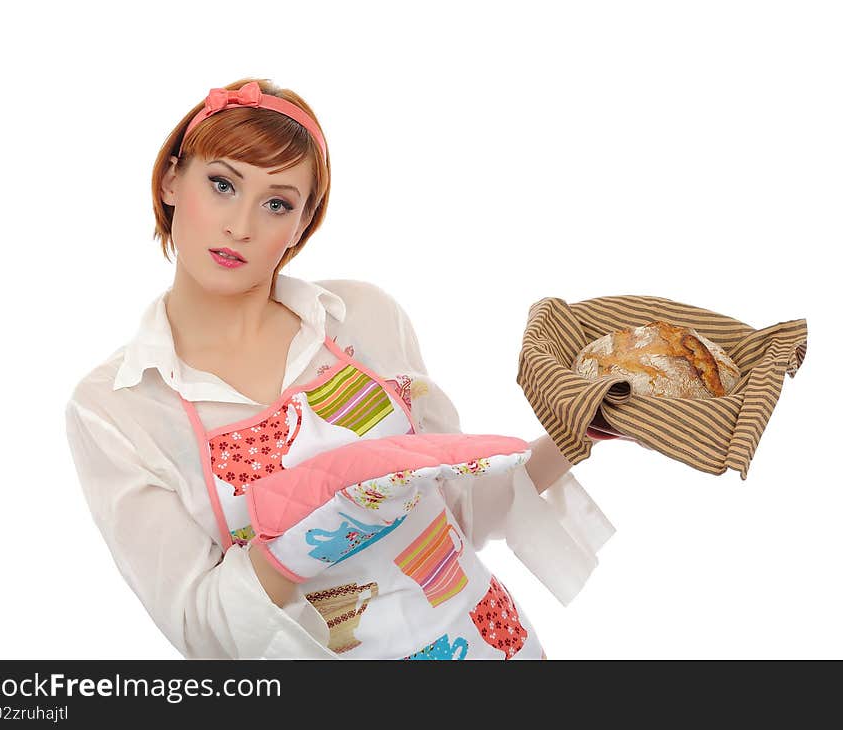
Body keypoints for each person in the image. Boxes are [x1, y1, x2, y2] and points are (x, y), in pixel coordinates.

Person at [64, 77, 616, 660]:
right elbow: (205, 630)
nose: (241, 226)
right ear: (172, 179)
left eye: (277, 202)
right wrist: (323, 528)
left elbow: (460, 509)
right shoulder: (115, 407)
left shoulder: (363, 317)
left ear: (302, 223)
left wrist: (578, 431)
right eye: (222, 184)